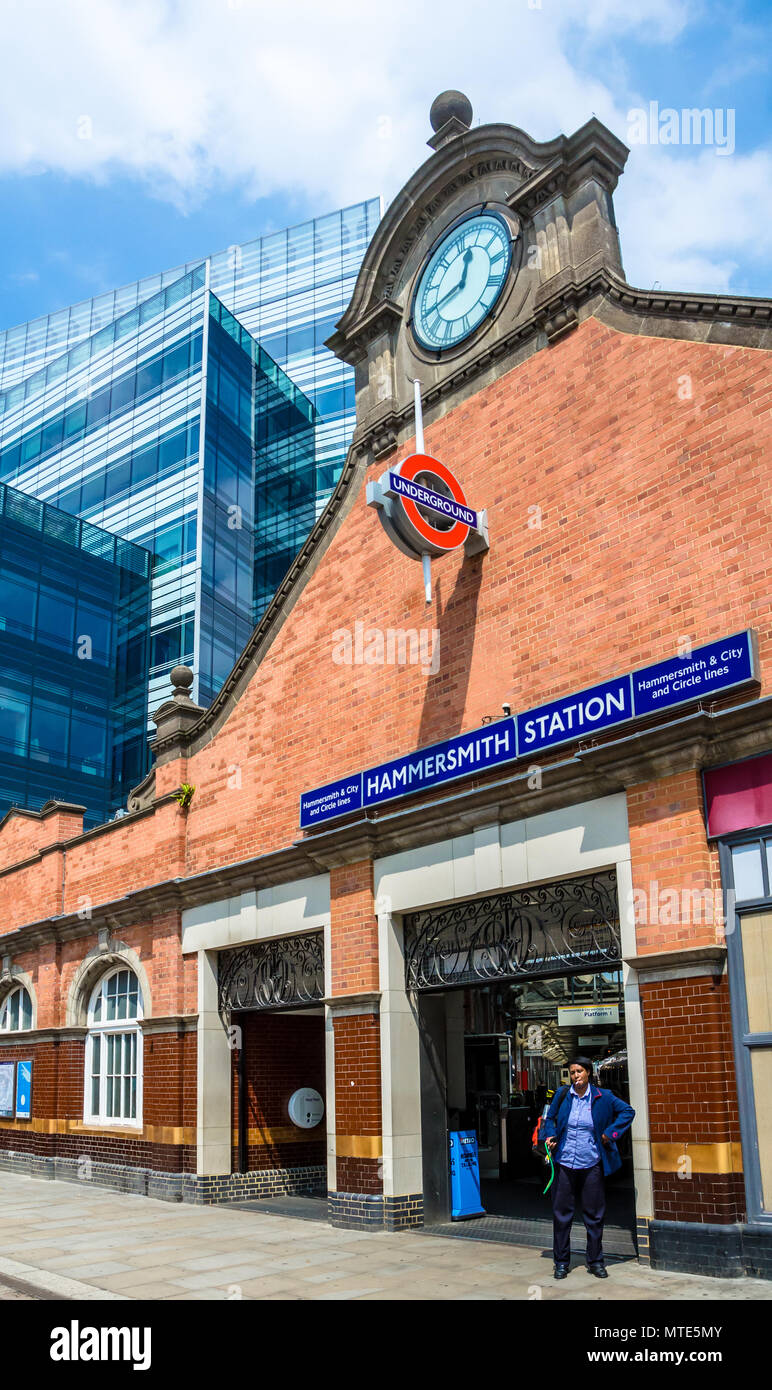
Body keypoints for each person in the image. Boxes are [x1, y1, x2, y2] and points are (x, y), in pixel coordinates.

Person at [542, 1055, 635, 1280]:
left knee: (594, 1216)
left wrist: (610, 1134)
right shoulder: (562, 1096)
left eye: (579, 1072)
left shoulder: (605, 1097)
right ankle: (561, 1263)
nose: (576, 1076)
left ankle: (595, 1262)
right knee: (561, 1215)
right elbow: (549, 1119)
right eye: (572, 1073)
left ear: (588, 1073)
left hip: (591, 1163)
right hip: (564, 1163)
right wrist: (550, 1134)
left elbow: (628, 1112)